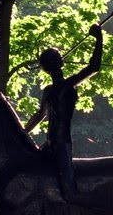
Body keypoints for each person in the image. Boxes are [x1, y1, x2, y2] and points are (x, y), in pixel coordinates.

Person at [24, 23, 102, 205]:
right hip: (53, 145)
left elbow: (94, 67)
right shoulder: (57, 88)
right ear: (60, 63)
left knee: (68, 191)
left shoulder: (59, 88)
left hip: (58, 145)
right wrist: (98, 38)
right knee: (59, 188)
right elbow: (39, 116)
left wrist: (23, 132)